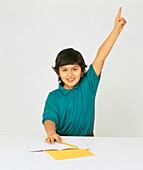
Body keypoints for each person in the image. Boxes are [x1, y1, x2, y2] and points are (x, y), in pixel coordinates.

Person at [42, 7, 126, 144]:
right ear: (58, 72)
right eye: (64, 70)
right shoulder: (53, 97)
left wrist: (116, 30)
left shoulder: (88, 85)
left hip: (88, 141)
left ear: (82, 71)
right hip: (62, 141)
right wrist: (51, 133)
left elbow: (100, 56)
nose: (70, 74)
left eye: (74, 69)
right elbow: (49, 118)